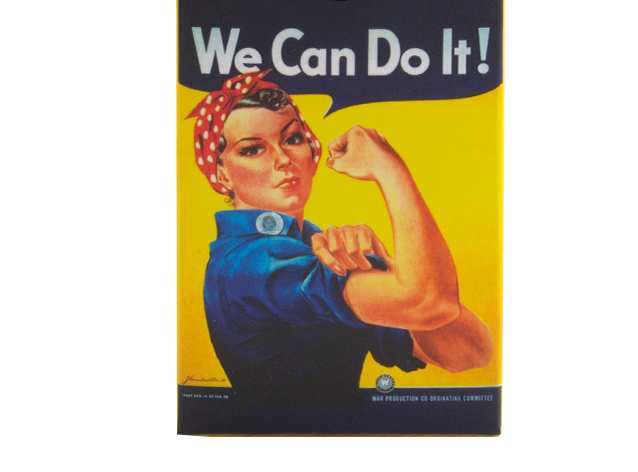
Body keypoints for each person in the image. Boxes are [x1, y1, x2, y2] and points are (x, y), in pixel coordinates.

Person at [187, 70, 493, 407]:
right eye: (252, 150)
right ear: (222, 173)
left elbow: (471, 353)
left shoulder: (310, 248)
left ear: (311, 150)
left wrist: (386, 266)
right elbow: (429, 303)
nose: (283, 159)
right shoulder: (250, 262)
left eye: (292, 139)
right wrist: (389, 169)